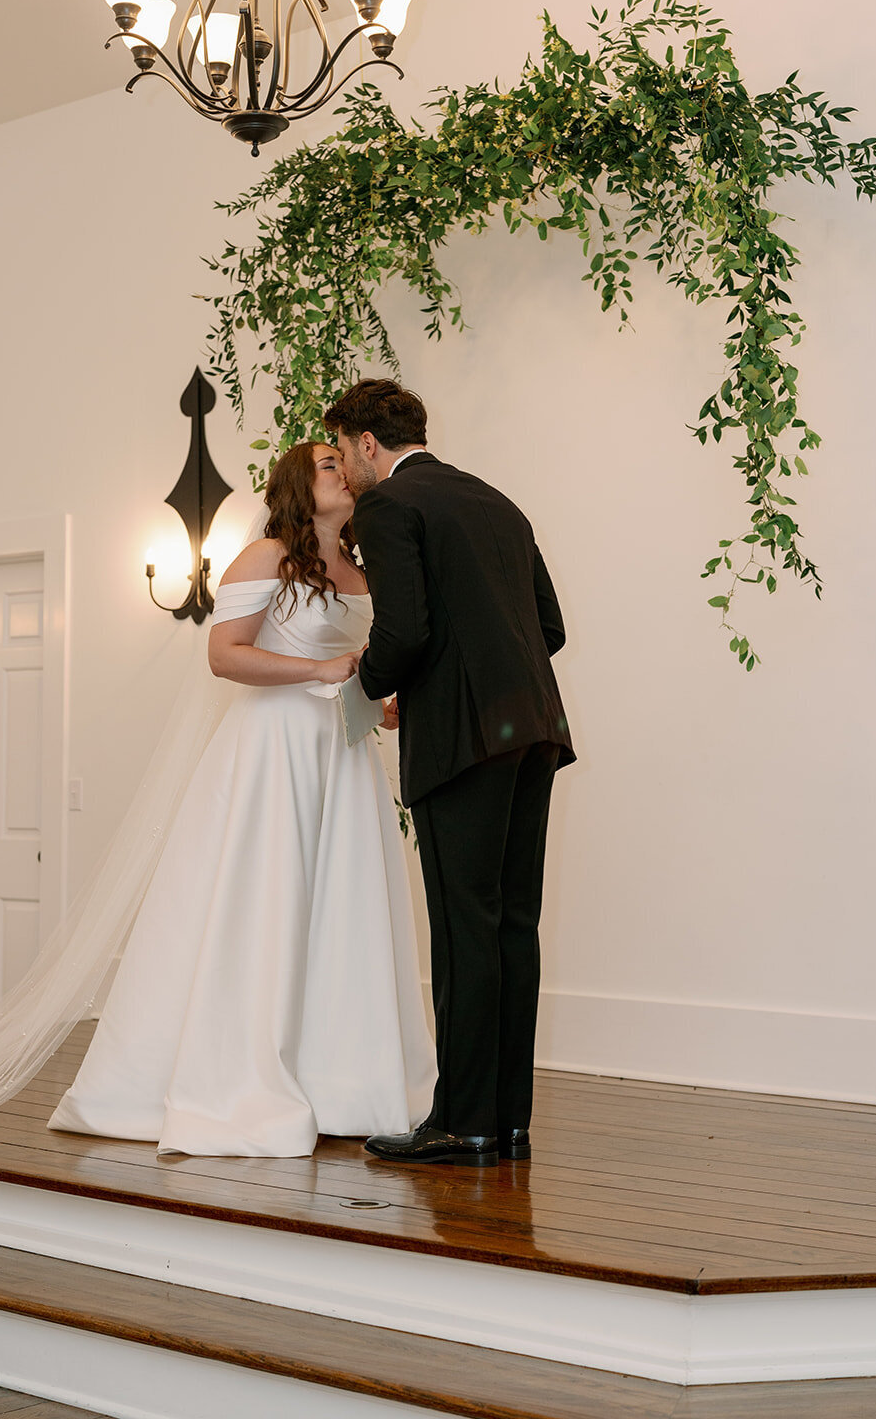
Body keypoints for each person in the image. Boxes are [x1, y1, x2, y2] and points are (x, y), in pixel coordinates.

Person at [49, 441, 435, 1156]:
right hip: (274, 750)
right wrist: (319, 667)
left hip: (340, 751)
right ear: (297, 483)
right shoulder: (263, 558)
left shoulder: (360, 566)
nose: (341, 471)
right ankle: (237, 1077)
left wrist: (375, 703)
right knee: (267, 901)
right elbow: (224, 653)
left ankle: (341, 1082)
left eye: (342, 462)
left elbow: (355, 668)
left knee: (340, 906)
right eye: (327, 464)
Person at [324, 380, 574, 1169]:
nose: (344, 469)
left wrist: (363, 688)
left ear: (369, 443)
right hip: (532, 728)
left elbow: (405, 631)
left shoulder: (390, 508)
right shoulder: (497, 502)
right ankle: (506, 1122)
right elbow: (550, 628)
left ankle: (460, 1124)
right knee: (510, 925)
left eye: (341, 450)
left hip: (461, 739)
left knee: (465, 929)